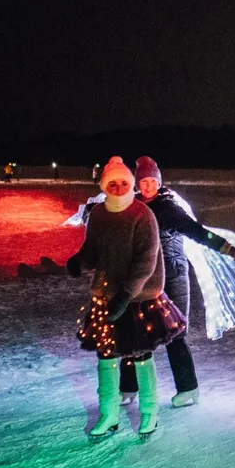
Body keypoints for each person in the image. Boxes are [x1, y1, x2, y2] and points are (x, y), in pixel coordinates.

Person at [66, 157, 185, 440]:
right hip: (106, 295)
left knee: (140, 354)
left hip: (138, 299)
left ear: (130, 185)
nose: (118, 188)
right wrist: (80, 261)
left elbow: (147, 259)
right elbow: (93, 250)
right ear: (105, 186)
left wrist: (126, 294)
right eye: (112, 184)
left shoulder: (142, 214)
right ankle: (109, 415)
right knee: (106, 356)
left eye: (123, 183)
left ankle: (149, 412)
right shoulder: (98, 215)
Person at [115, 157, 235, 408]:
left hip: (173, 278)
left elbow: (196, 231)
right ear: (137, 183)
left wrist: (227, 248)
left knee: (175, 334)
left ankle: (188, 389)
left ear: (159, 182)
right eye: (144, 181)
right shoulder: (133, 208)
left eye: (153, 181)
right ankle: (129, 387)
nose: (149, 186)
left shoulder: (169, 208)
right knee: (135, 332)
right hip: (144, 279)